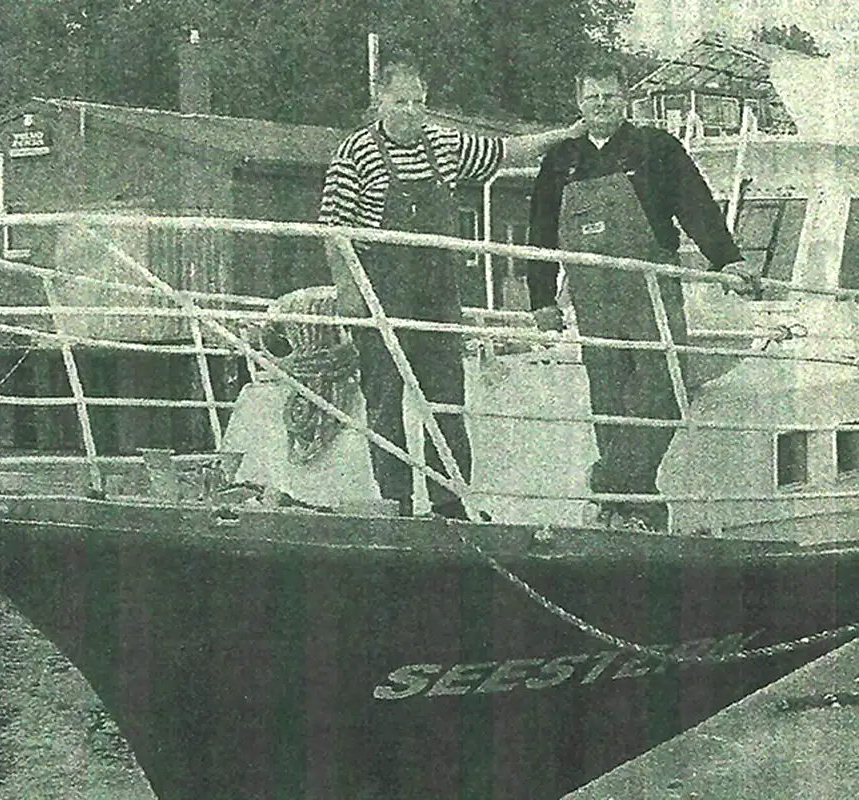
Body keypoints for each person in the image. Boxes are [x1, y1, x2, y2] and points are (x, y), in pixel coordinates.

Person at [319, 60, 585, 519]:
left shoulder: (443, 143)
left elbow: (508, 152)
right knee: (384, 407)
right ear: (378, 102)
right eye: (399, 101)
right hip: (380, 294)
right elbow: (334, 234)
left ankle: (450, 503)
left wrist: (565, 134)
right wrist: (351, 302)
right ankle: (394, 505)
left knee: (446, 401)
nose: (410, 110)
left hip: (438, 298)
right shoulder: (354, 152)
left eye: (418, 100)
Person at [526, 60, 754, 530]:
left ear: (624, 98)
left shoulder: (656, 148)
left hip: (650, 291)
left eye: (609, 95)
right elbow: (541, 233)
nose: (601, 105)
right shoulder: (560, 161)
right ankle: (636, 510)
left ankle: (614, 488)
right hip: (592, 297)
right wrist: (542, 299)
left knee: (665, 387)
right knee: (608, 400)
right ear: (578, 102)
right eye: (592, 97)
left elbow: (696, 205)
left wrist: (726, 258)